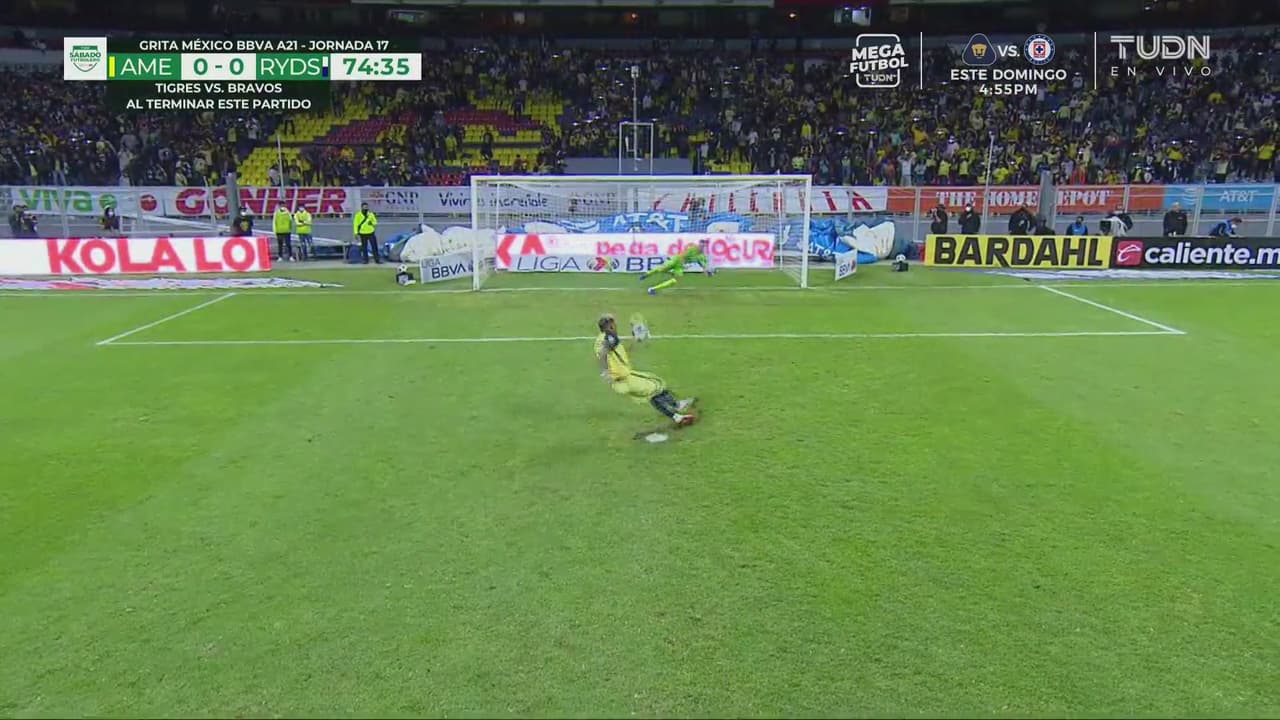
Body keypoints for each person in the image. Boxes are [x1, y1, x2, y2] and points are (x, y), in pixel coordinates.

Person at [594, 313, 697, 428]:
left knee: (655, 384)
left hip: (621, 379)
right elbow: (604, 353)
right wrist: (604, 371)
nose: (616, 325)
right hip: (623, 379)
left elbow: (620, 353)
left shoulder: (601, 339)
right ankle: (677, 414)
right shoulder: (609, 336)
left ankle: (677, 407)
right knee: (655, 388)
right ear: (610, 325)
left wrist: (636, 339)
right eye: (614, 323)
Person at [640, 241, 713, 295]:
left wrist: (707, 273)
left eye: (703, 246)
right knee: (661, 269)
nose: (700, 247)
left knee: (675, 280)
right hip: (675, 260)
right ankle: (646, 274)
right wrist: (683, 265)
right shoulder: (692, 248)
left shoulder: (701, 257)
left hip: (679, 266)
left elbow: (704, 267)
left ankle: (652, 289)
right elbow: (683, 256)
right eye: (700, 245)